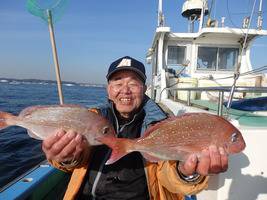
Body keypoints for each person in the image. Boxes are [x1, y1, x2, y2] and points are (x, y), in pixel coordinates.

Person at [42, 56, 228, 200]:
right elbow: (76, 163)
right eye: (118, 82)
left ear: (144, 88)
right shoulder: (92, 119)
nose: (125, 90)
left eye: (133, 83)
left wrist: (186, 172)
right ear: (108, 89)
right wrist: (65, 157)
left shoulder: (164, 123)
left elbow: (168, 176)